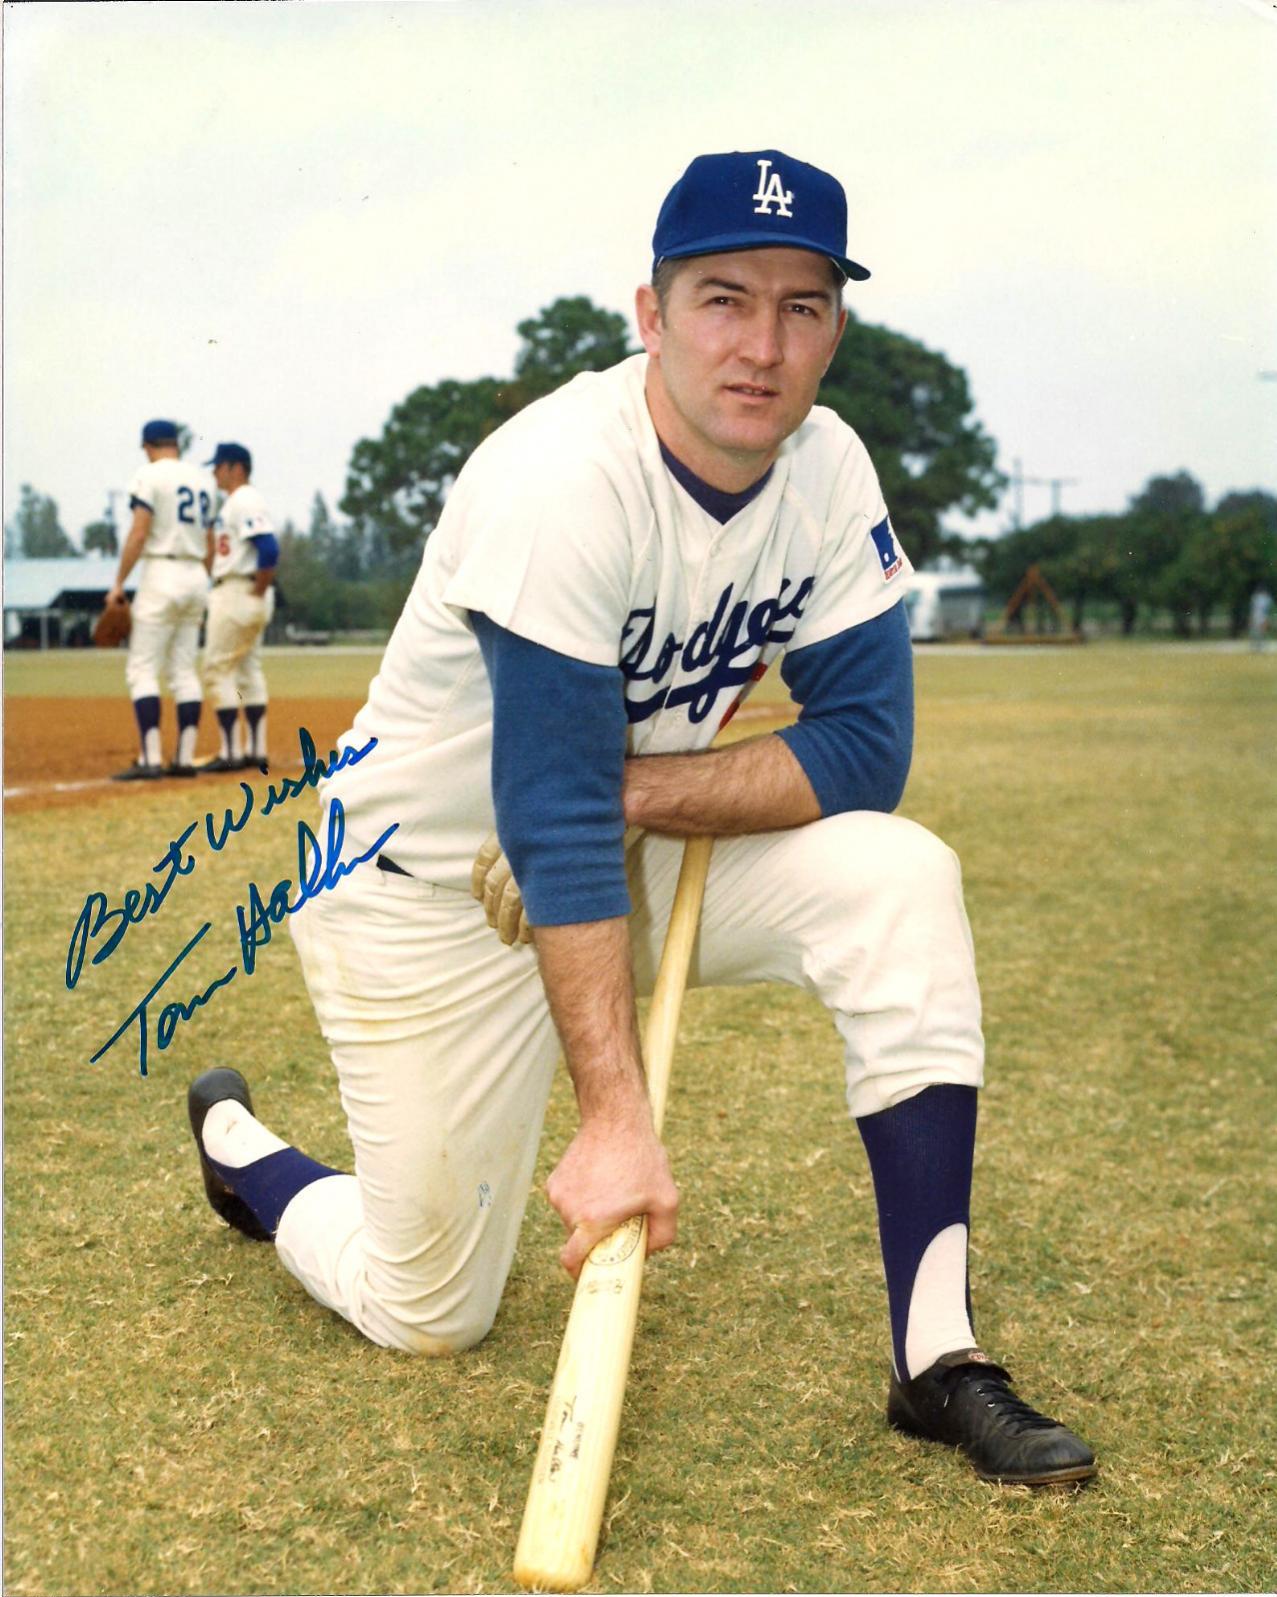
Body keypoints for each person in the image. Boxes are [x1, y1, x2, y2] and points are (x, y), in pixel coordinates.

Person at [186, 149, 1095, 1487]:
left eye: (799, 306)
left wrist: (627, 792)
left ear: (835, 330)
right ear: (649, 314)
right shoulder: (559, 477)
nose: (760, 345)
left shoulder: (828, 470)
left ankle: (935, 1354)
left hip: (610, 843)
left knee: (898, 877)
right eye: (723, 299)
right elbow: (546, 820)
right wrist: (616, 1120)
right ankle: (245, 1151)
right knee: (427, 1308)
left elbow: (863, 747)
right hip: (421, 888)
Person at [108, 419, 212, 780]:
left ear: (148, 446)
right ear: (176, 444)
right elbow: (209, 539)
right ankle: (184, 759)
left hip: (162, 572)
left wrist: (118, 583)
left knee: (142, 669)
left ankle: (151, 759)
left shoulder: (149, 475)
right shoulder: (201, 479)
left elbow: (139, 533)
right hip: (196, 573)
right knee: (184, 670)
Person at [200, 442, 279, 774]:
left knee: (217, 669)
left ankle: (230, 752)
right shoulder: (236, 502)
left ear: (236, 467)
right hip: (245, 589)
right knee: (247, 669)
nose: (214, 472)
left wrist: (257, 588)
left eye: (218, 466)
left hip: (237, 590)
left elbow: (269, 548)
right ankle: (256, 750)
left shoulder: (244, 499)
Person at [1248, 585, 1272, 652]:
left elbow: (1252, 608)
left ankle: (1256, 646)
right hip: (1262, 616)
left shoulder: (1255, 597)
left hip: (1256, 615)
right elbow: (1267, 609)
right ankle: (1260, 646)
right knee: (1261, 631)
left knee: (1256, 631)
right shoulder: (1266, 598)